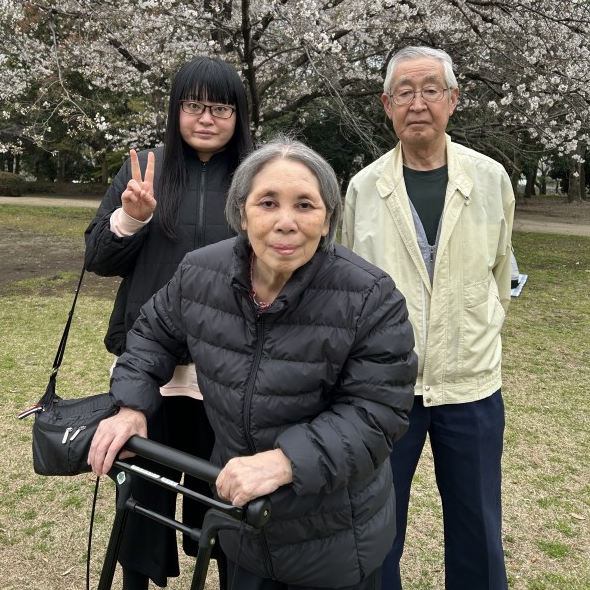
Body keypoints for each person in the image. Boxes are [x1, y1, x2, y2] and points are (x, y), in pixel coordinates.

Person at [88, 136, 418, 590]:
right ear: (242, 213)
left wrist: (285, 461)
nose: (286, 222)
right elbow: (150, 334)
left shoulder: (370, 297)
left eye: (305, 205)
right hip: (240, 525)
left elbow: (377, 412)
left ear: (327, 219)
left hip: (334, 538)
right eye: (268, 203)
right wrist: (131, 404)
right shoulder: (200, 272)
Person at [342, 46, 515, 590]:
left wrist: (477, 327)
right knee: (376, 530)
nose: (418, 104)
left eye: (431, 90)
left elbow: (499, 272)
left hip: (471, 384)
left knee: (478, 525)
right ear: (386, 105)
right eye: (405, 93)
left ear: (453, 99)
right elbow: (349, 285)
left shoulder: (490, 179)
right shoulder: (363, 187)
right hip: (386, 389)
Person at [84, 57, 253, 590]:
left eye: (220, 108)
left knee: (223, 495)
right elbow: (98, 259)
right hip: (150, 367)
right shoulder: (144, 168)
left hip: (227, 369)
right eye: (194, 105)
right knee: (142, 496)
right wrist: (132, 217)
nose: (206, 118)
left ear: (238, 115)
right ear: (176, 110)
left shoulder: (255, 176)